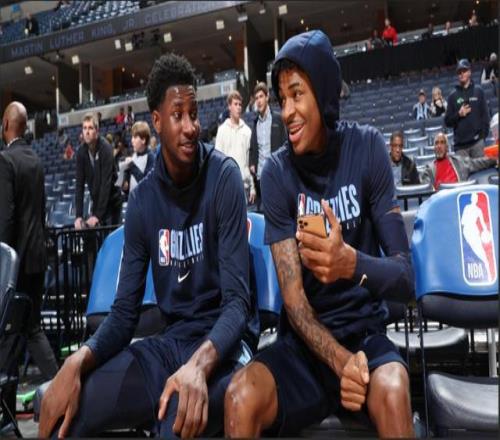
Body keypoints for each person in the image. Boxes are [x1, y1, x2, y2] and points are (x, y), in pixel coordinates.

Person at [39, 52, 258, 439]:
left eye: (194, 114)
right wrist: (78, 360)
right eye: (178, 115)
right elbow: (124, 314)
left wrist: (199, 366)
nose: (190, 127)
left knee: (173, 423)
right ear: (156, 121)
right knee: (66, 415)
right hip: (170, 345)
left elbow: (238, 305)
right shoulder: (142, 201)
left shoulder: (223, 178)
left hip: (222, 347)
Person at [224, 30, 414, 438]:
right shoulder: (276, 173)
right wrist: (341, 362)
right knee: (240, 396)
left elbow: (405, 277)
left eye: (297, 94)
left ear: (324, 92)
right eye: (282, 99)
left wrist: (351, 264)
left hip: (365, 339)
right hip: (305, 349)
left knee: (394, 389)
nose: (287, 111)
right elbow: (293, 302)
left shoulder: (368, 148)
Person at [0, 102, 58, 430]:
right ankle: (10, 411)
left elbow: (7, 218)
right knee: (28, 330)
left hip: (16, 263)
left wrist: (2, 262)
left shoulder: (5, 160)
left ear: (7, 124)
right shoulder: (35, 159)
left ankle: (60, 391)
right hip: (37, 257)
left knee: (13, 331)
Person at [74, 113, 122, 229]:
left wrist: (97, 216)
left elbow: (105, 185)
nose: (87, 132)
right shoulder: (81, 152)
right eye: (84, 128)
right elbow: (79, 185)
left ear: (97, 131)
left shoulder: (106, 149)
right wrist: (78, 216)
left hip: (112, 203)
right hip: (97, 203)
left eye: (90, 128)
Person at [249, 82, 287, 210]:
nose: (259, 101)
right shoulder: (255, 123)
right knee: (263, 212)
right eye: (256, 98)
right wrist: (252, 163)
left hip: (276, 174)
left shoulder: (278, 119)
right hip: (261, 177)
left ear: (267, 97)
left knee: (279, 209)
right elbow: (253, 148)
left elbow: (285, 145)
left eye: (261, 97)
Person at [215, 91, 255, 205]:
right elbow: (218, 162)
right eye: (235, 104)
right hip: (228, 187)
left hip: (245, 188)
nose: (238, 107)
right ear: (229, 107)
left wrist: (252, 187)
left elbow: (249, 162)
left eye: (240, 104)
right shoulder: (222, 131)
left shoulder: (247, 131)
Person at [445, 59, 490, 157]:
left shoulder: (479, 91)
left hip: (477, 144)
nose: (461, 74)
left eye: (464, 71)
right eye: (459, 72)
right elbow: (447, 121)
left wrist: (482, 138)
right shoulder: (452, 96)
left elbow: (485, 116)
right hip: (460, 148)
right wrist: (459, 114)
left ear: (469, 72)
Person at [419, 132, 496, 190]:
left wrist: (495, 159)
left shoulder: (459, 162)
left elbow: (480, 163)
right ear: (434, 148)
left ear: (447, 147)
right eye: (436, 143)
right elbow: (427, 191)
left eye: (442, 143)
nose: (439, 146)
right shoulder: (428, 170)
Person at [122, 121, 155, 195]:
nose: (132, 140)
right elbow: (129, 185)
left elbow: (146, 184)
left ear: (143, 140)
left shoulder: (151, 157)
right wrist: (125, 184)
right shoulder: (134, 155)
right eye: (132, 137)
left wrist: (132, 165)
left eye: (135, 137)